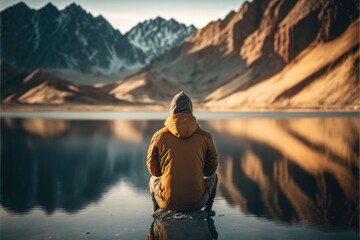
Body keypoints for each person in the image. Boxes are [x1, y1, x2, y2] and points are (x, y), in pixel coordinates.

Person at [146, 91, 218, 216]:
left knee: (153, 179)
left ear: (171, 110)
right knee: (214, 176)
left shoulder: (159, 136)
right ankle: (207, 211)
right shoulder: (205, 136)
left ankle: (158, 212)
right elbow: (210, 170)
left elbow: (154, 170)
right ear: (191, 110)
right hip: (197, 202)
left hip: (168, 203)